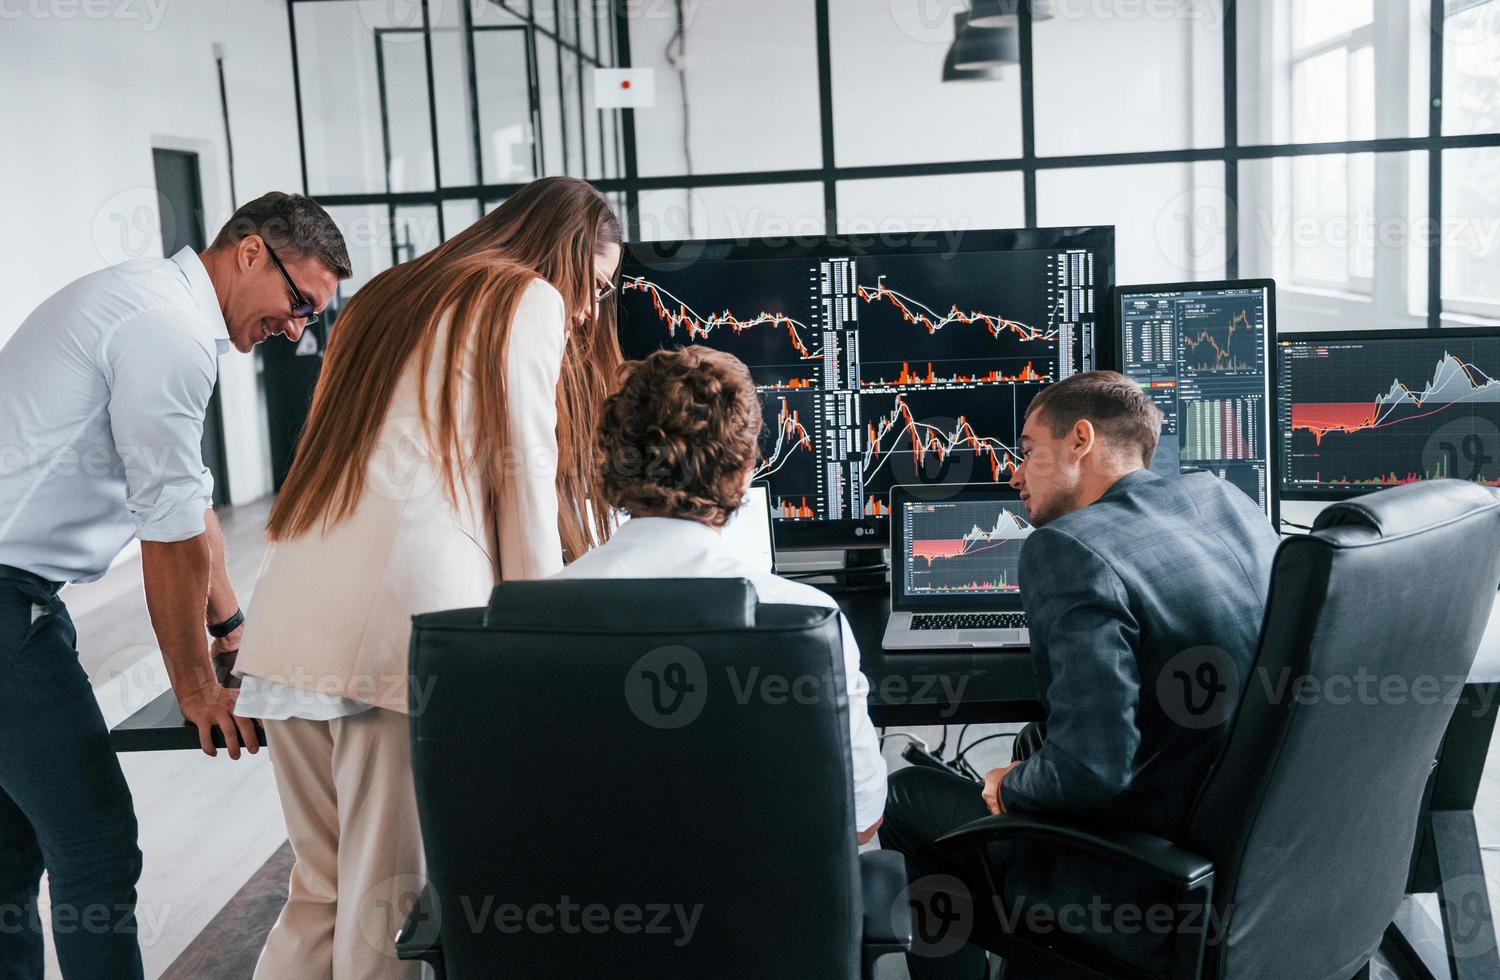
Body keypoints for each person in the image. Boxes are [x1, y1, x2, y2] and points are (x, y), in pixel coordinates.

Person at [232, 176, 624, 979]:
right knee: (387, 901)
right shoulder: (528, 297)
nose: (589, 308)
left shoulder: (390, 294)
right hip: (398, 634)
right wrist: (543, 647)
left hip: (292, 619)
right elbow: (525, 470)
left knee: (322, 890)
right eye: (595, 283)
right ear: (561, 256)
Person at [0, 191, 348, 979]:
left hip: (23, 594)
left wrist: (233, 631)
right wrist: (194, 688)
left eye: (311, 318)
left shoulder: (150, 304)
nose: (295, 330)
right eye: (297, 304)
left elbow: (189, 510)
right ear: (251, 251)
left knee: (12, 853)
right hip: (5, 599)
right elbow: (166, 534)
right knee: (95, 846)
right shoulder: (169, 330)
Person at [879, 370, 1280, 980]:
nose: (1014, 473)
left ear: (1080, 440)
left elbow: (1091, 770)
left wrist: (1007, 789)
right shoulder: (1222, 499)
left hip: (1141, 882)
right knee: (1027, 745)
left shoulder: (1069, 548)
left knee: (905, 795)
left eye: (1028, 450)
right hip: (1255, 855)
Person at [553, 345, 887, 843]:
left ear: (612, 460)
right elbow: (860, 821)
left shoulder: (536, 613)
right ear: (741, 472)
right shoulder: (806, 619)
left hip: (593, 915)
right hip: (771, 917)